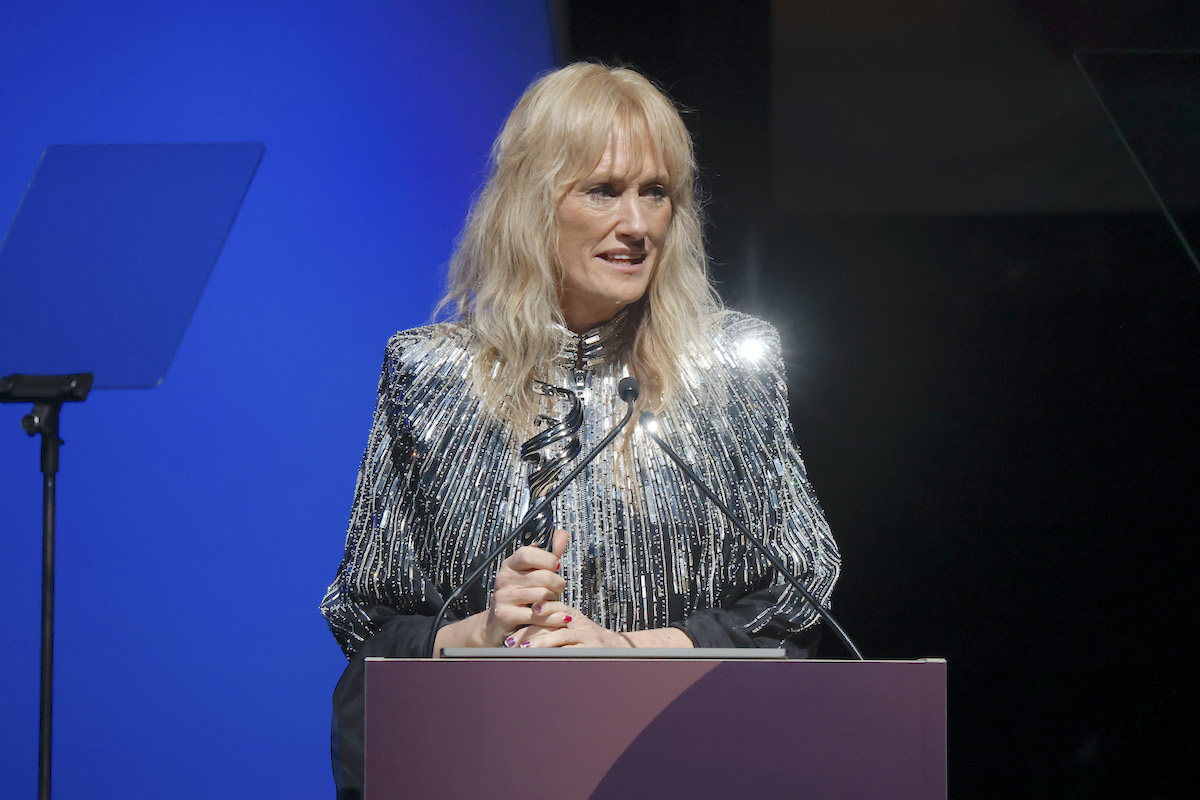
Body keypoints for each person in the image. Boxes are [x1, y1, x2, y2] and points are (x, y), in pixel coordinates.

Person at [320, 62, 841, 795]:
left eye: (655, 192)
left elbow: (796, 594)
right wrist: (480, 635)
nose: (636, 225)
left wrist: (623, 651)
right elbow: (368, 618)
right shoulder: (429, 374)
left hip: (695, 757)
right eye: (603, 191)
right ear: (533, 203)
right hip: (489, 765)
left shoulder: (731, 366)